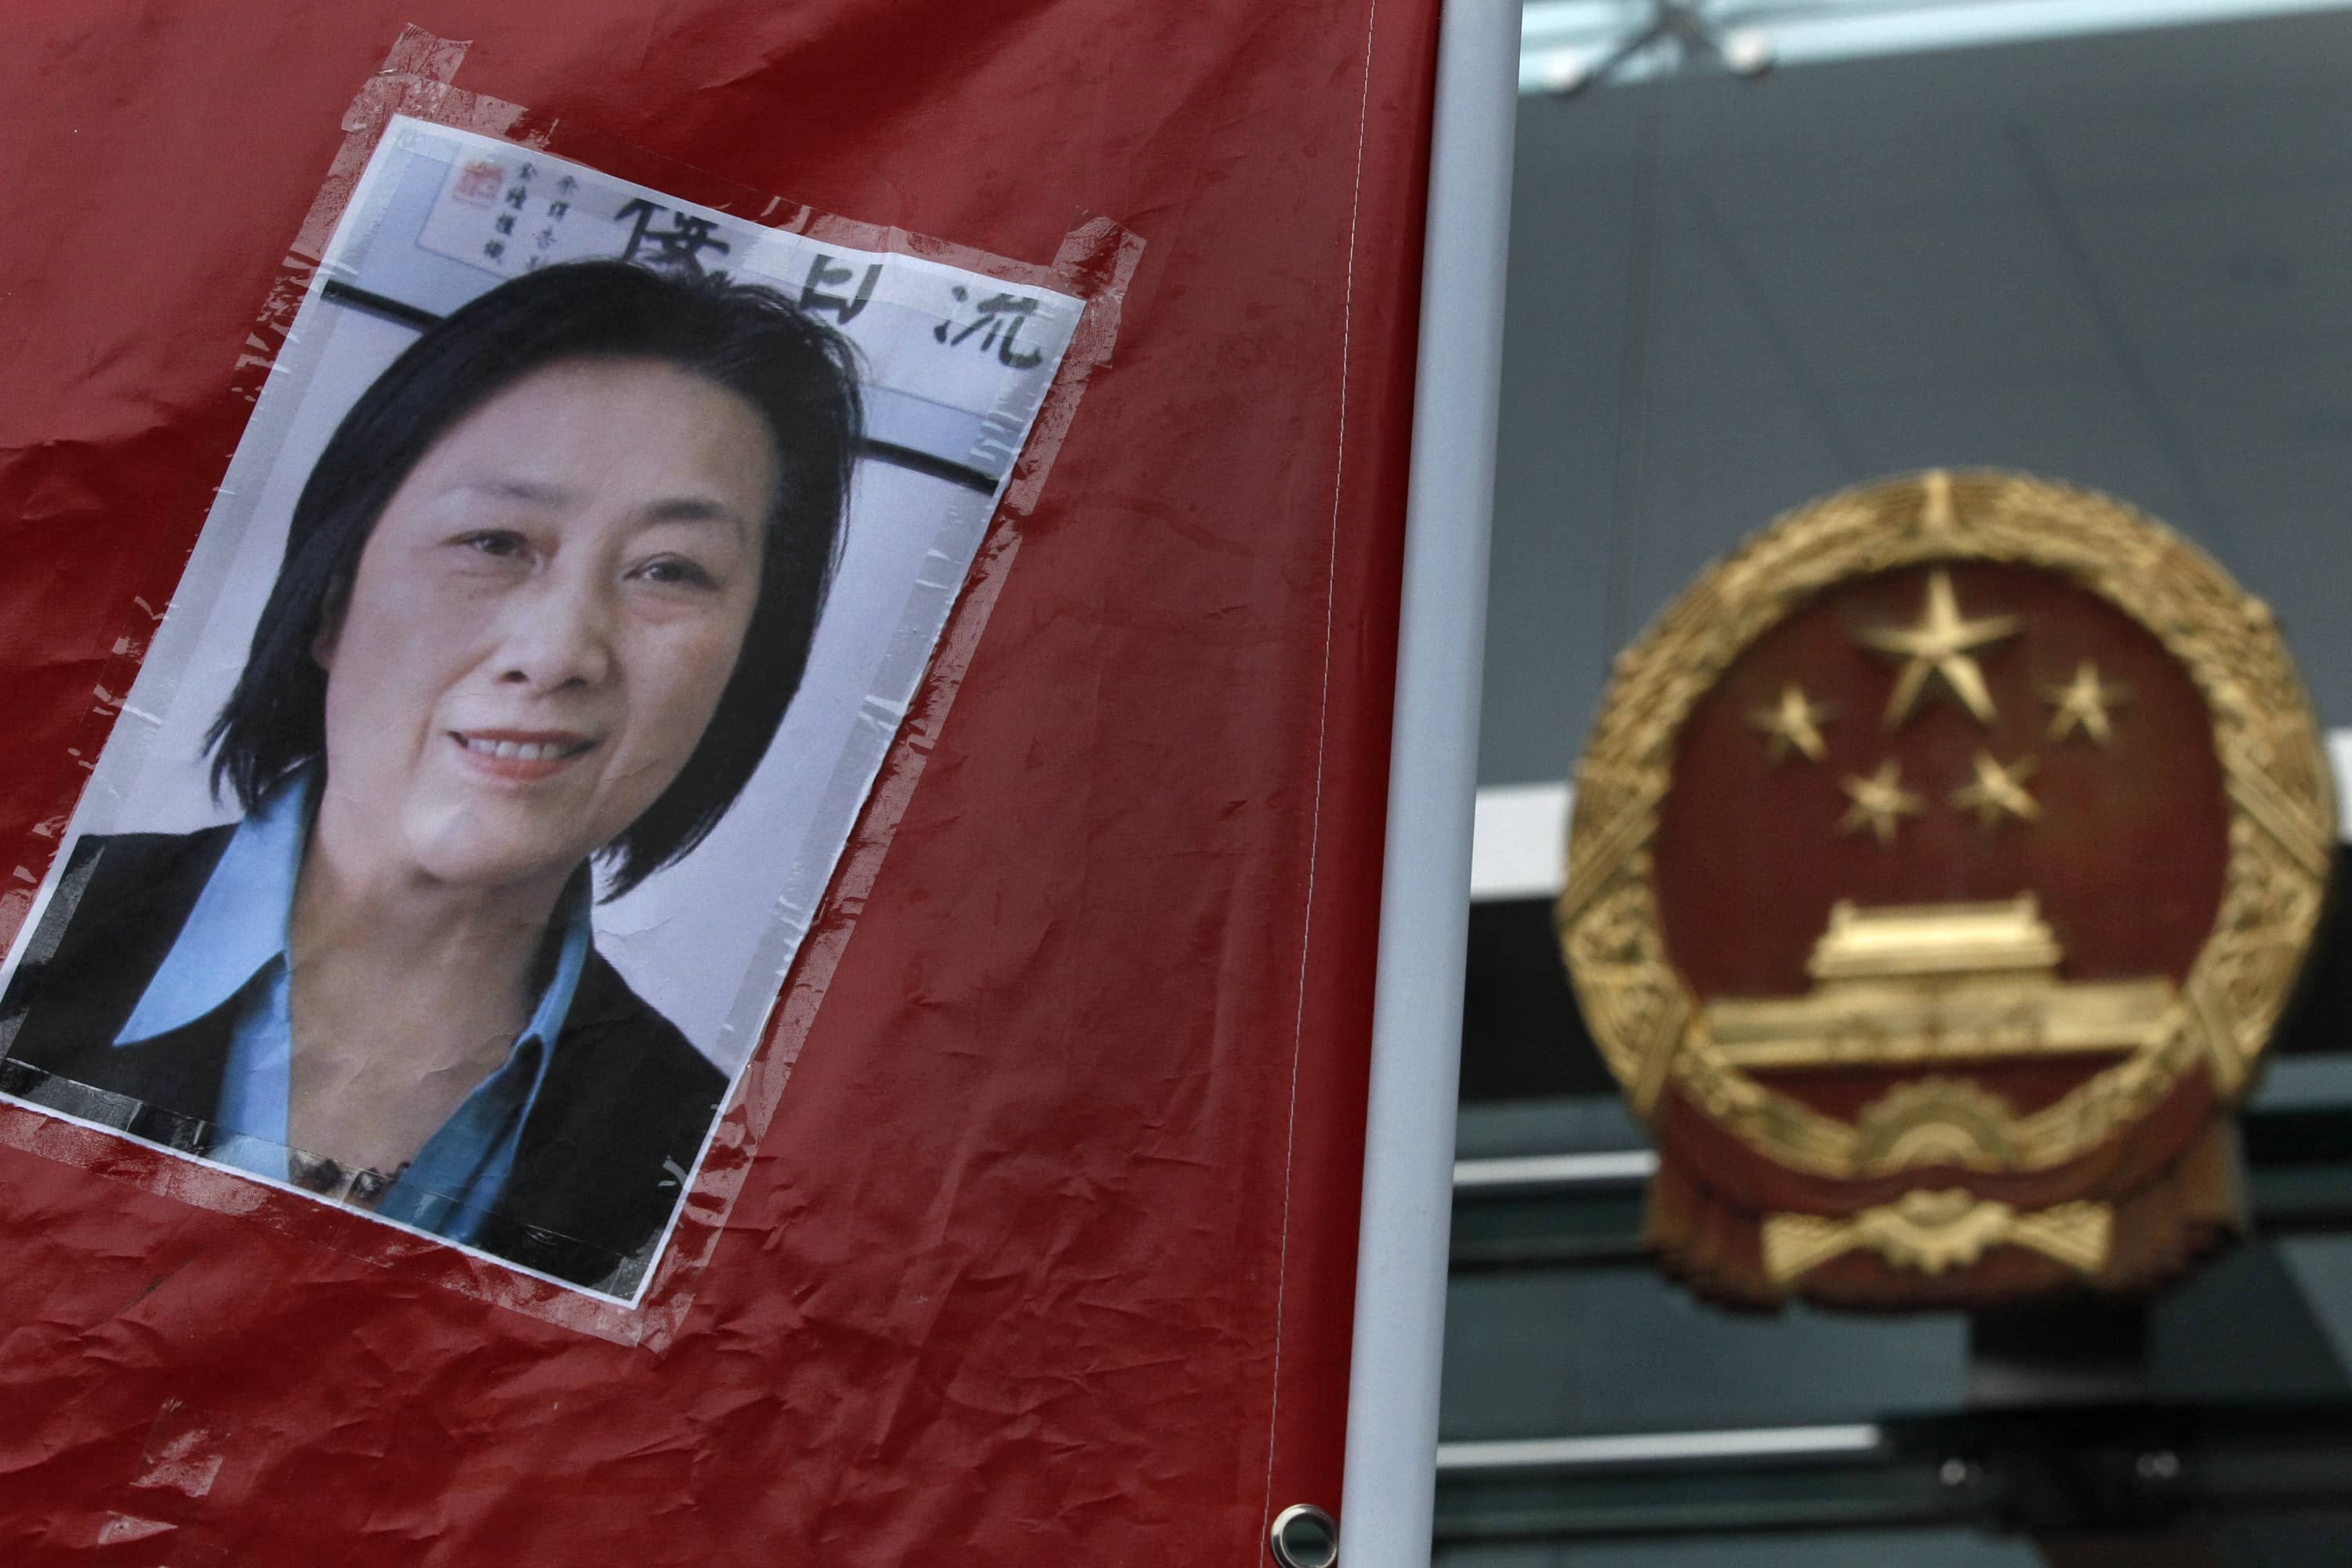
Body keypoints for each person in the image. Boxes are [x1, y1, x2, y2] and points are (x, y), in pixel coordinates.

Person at [0, 260, 862, 1293]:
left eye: (668, 571)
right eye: (495, 542)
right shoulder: (32, 919)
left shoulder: (718, 1174)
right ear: (329, 600)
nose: (556, 654)